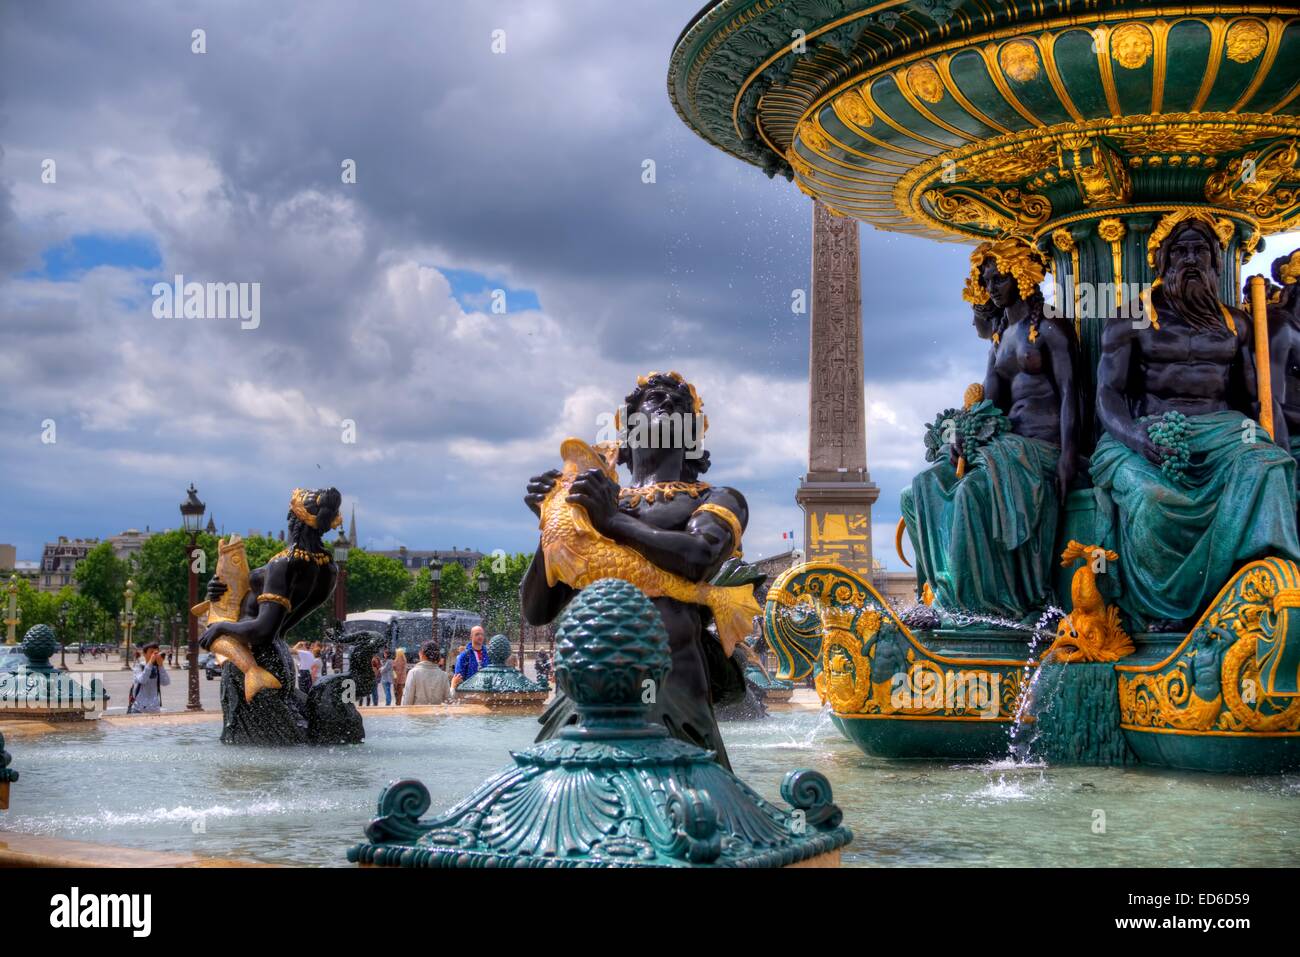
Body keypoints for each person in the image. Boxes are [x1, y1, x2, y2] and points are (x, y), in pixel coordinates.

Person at [521, 371, 753, 769]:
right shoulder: (591, 499)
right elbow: (537, 610)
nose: (665, 404)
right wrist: (552, 525)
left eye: (678, 406)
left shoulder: (718, 497)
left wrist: (612, 521)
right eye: (653, 400)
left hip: (670, 687)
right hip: (586, 689)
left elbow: (698, 557)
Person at [1093, 211, 1300, 630]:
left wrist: (1275, 448)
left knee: (1269, 467)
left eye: (1200, 250)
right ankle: (1168, 608)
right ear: (1163, 261)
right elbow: (1107, 394)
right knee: (1153, 501)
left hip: (1221, 429)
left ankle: (1261, 588)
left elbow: (1256, 400)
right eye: (1181, 250)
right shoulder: (1133, 316)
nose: (1190, 258)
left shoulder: (1236, 323)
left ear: (1215, 262)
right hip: (1147, 431)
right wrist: (1134, 437)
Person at [900, 237, 1080, 622]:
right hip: (1004, 447)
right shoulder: (999, 341)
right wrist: (961, 434)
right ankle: (939, 593)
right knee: (920, 489)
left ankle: (987, 605)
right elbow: (989, 406)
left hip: (1040, 447)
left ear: (1021, 276)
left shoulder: (1049, 327)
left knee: (970, 493)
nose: (991, 288)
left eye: (998, 279)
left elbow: (1071, 395)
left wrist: (1068, 456)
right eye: (987, 280)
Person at [128, 643, 170, 714]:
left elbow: (166, 682)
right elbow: (143, 680)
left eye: (156, 652)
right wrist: (150, 663)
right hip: (138, 709)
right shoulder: (138, 667)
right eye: (151, 652)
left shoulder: (158, 667)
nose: (154, 655)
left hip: (154, 709)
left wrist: (161, 666)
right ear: (144, 654)